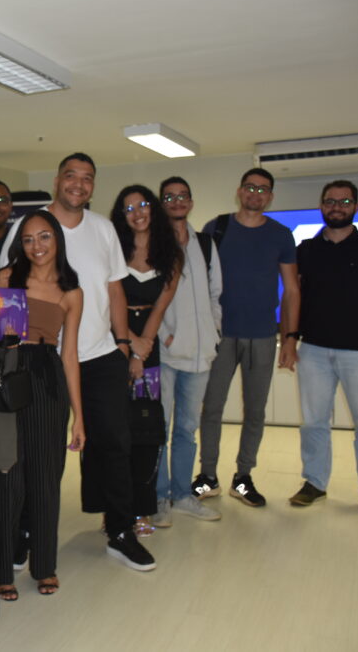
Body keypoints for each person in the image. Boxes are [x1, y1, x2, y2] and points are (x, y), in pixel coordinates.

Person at [0, 152, 156, 572]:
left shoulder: (103, 228)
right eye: (72, 176)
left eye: (88, 178)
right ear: (57, 180)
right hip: (41, 361)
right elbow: (7, 290)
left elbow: (116, 290)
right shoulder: (27, 226)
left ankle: (120, 531)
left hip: (100, 356)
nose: (79, 184)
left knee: (115, 445)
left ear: (93, 186)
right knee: (39, 452)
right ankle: (27, 530)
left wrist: (122, 344)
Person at [289, 179, 358, 517]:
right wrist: (290, 339)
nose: (336, 207)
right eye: (330, 201)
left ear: (356, 207)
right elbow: (293, 297)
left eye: (344, 201)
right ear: (321, 206)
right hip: (313, 351)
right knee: (313, 423)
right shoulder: (306, 250)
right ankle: (314, 483)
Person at [0, 209, 85, 600]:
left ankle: (45, 566)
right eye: (27, 239)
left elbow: (70, 356)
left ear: (57, 239)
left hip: (48, 377)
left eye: (44, 236)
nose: (36, 246)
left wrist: (79, 416)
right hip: (10, 372)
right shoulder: (6, 278)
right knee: (7, 478)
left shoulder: (71, 291)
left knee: (46, 479)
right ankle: (3, 570)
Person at [197, 168, 299, 507]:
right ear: (240, 191)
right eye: (250, 187)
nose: (256, 194)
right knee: (212, 408)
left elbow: (292, 290)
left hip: (262, 337)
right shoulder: (216, 228)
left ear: (270, 196)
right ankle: (207, 476)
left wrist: (289, 338)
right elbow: (198, 281)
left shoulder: (281, 235)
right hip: (221, 335)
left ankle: (243, 478)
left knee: (255, 411)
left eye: (263, 189)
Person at [109, 185, 182, 536]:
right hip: (113, 342)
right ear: (121, 216)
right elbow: (107, 302)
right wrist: (128, 343)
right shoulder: (112, 251)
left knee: (146, 432)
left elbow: (160, 308)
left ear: (153, 208)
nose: (137, 213)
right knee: (115, 432)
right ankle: (115, 512)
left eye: (142, 205)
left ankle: (142, 510)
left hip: (147, 349)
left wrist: (141, 350)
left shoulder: (171, 255)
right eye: (128, 208)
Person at [152, 177, 223, 526]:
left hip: (201, 355)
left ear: (191, 202)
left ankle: (182, 495)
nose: (177, 201)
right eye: (170, 197)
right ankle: (159, 497)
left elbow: (215, 293)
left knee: (186, 428)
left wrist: (214, 332)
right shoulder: (153, 244)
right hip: (167, 355)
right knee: (160, 429)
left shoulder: (205, 244)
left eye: (183, 196)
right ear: (161, 203)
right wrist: (165, 335)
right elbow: (150, 295)